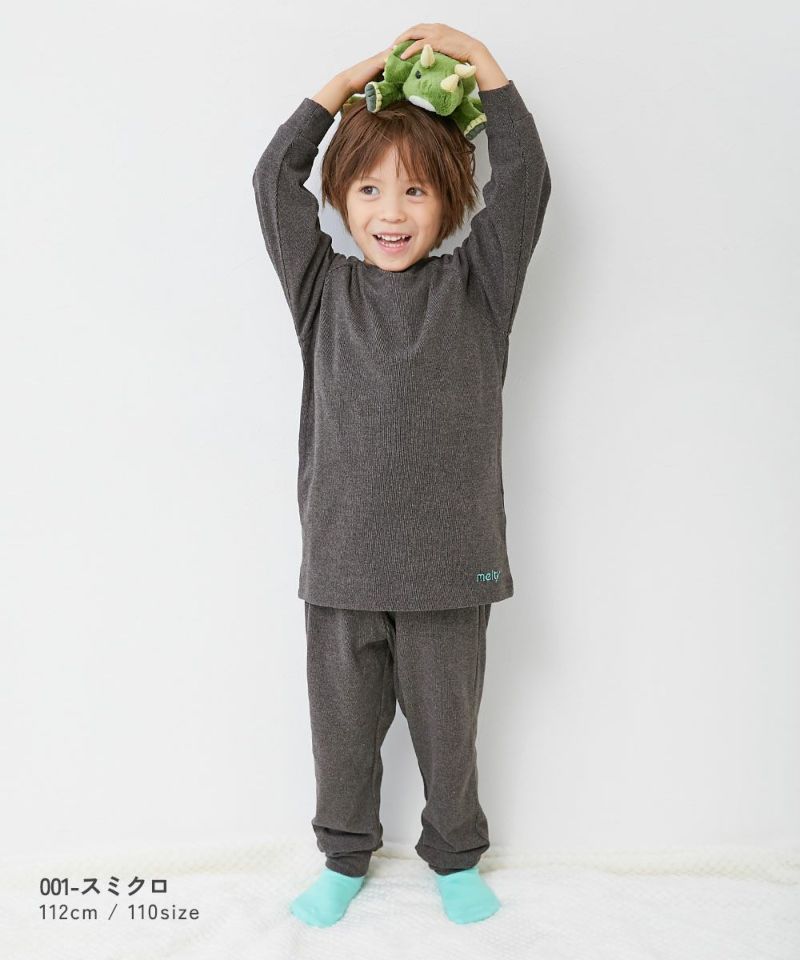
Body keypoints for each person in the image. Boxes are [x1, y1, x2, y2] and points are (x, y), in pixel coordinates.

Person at [251, 22, 551, 927]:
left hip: (450, 567)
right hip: (343, 565)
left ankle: (455, 856)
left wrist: (485, 70)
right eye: (370, 188)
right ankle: (343, 856)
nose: (392, 211)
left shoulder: (481, 286)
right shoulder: (321, 289)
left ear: (451, 198)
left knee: (449, 735)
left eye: (416, 189)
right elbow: (271, 181)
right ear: (341, 198)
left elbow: (526, 179)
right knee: (342, 736)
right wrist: (341, 88)